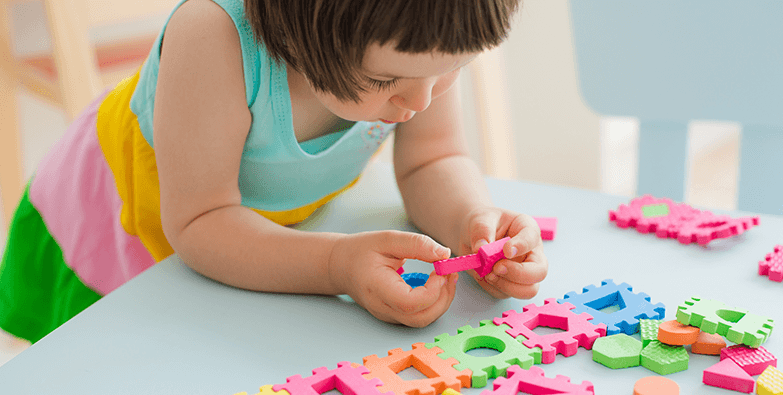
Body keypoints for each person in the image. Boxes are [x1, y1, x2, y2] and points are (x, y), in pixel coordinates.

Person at [0, 0, 548, 343]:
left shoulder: (416, 44)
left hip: (269, 222)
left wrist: (473, 220)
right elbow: (200, 221)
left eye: (452, 70)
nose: (421, 100)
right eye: (385, 82)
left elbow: (433, 159)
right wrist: (336, 265)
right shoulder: (212, 37)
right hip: (126, 219)